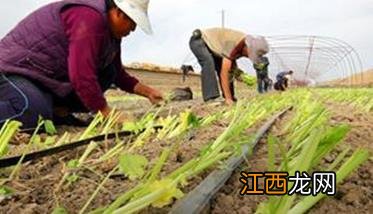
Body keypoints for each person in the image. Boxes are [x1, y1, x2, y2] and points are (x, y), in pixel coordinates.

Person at [0, 0, 163, 129]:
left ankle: (55, 110)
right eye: (133, 22)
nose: (133, 29)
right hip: (14, 69)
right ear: (119, 12)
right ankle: (42, 108)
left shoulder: (112, 36)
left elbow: (118, 74)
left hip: (42, 79)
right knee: (31, 111)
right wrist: (106, 112)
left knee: (108, 73)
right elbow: (81, 75)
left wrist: (148, 92)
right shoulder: (89, 17)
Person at [189, 27, 269, 105]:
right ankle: (211, 98)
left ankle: (230, 96)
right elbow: (224, 73)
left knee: (229, 70)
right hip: (199, 41)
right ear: (248, 47)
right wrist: (228, 99)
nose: (249, 56)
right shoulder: (233, 43)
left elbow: (231, 65)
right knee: (208, 62)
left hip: (214, 49)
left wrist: (238, 73)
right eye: (251, 54)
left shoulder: (243, 45)